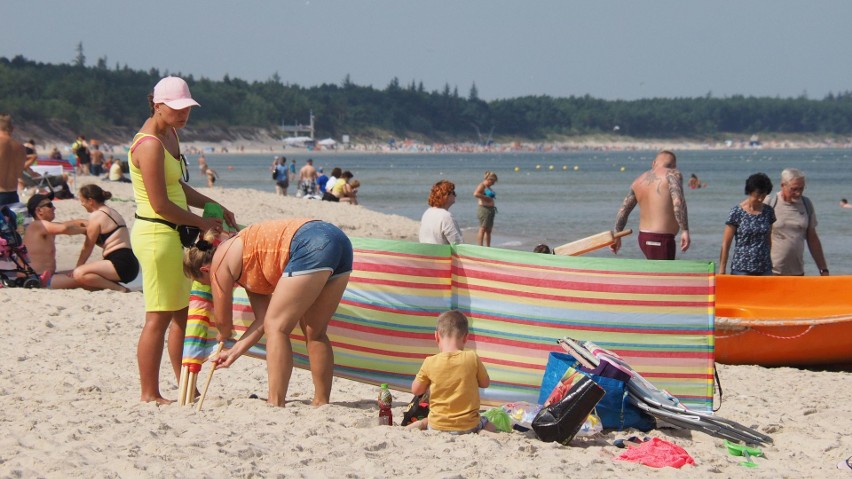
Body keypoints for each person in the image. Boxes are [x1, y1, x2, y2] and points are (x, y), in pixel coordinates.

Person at [129, 76, 237, 404]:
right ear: (156, 105)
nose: (182, 114)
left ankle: (185, 386)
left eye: (187, 108)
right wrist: (202, 221)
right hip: (156, 234)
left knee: (182, 314)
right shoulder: (148, 144)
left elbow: (177, 186)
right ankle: (149, 393)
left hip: (175, 233)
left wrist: (210, 204)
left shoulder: (170, 135)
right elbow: (160, 203)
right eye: (175, 109)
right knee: (158, 317)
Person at [183, 219, 353, 407]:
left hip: (309, 243)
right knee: (315, 331)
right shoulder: (246, 260)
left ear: (205, 270)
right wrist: (234, 352)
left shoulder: (218, 264)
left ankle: (275, 401)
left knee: (277, 328)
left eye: (205, 283)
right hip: (339, 241)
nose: (210, 287)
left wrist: (220, 338)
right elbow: (262, 319)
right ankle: (321, 402)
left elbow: (223, 324)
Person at [404, 310, 496, 434]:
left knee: (427, 421)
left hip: (437, 425)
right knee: (488, 423)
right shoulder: (472, 357)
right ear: (466, 337)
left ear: (436, 336)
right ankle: (485, 433)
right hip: (468, 425)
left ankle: (416, 425)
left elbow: (416, 390)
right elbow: (485, 383)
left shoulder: (430, 362)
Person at [611, 150, 690, 260]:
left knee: (656, 273)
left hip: (643, 238)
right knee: (664, 275)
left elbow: (624, 210)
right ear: (674, 165)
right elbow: (678, 202)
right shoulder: (672, 174)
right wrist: (685, 230)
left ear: (653, 163)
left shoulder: (638, 181)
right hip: (662, 239)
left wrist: (617, 235)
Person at [73, 184, 139, 291]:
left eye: (82, 201)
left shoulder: (96, 215)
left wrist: (78, 267)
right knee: (91, 279)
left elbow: (87, 247)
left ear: (90, 201)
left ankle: (120, 289)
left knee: (79, 274)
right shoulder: (111, 212)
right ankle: (119, 287)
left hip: (120, 264)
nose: (82, 204)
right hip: (130, 263)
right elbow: (107, 240)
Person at [764, 168, 829, 276]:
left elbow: (812, 239)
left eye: (801, 188)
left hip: (797, 273)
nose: (798, 193)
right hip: (771, 272)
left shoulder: (806, 204)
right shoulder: (770, 203)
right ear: (783, 185)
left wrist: (823, 269)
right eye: (794, 189)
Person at [22, 193, 88, 289]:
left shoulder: (48, 226)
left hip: (49, 276)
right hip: (36, 279)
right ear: (39, 210)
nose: (54, 208)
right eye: (50, 205)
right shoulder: (36, 225)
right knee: (87, 278)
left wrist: (92, 224)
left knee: (87, 272)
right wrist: (89, 229)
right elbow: (64, 228)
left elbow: (75, 223)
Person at [718, 173, 776, 275]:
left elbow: (768, 239)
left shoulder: (768, 211)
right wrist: (722, 269)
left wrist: (769, 260)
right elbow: (726, 243)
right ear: (750, 191)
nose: (760, 199)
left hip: (765, 268)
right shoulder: (737, 212)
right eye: (758, 195)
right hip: (741, 268)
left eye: (764, 195)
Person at [419, 180, 463, 245]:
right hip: (441, 254)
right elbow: (458, 243)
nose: (455, 195)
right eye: (453, 193)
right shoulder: (446, 216)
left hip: (426, 253)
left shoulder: (428, 212)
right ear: (445, 195)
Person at [0, 113, 27, 207]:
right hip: (13, 195)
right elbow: (19, 173)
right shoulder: (21, 147)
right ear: (12, 128)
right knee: (13, 221)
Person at [473, 171, 498, 247]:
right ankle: (480, 246)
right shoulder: (482, 185)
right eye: (493, 181)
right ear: (489, 179)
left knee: (489, 230)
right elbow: (476, 194)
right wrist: (486, 198)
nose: (494, 183)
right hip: (484, 209)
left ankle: (488, 246)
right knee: (483, 228)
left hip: (490, 209)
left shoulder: (488, 187)